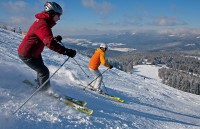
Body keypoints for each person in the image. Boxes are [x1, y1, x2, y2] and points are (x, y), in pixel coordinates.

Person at [17, 2, 76, 91]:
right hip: (27, 54)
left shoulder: (43, 22)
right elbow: (49, 43)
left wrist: (55, 39)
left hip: (34, 53)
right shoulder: (42, 25)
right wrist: (65, 51)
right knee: (44, 72)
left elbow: (43, 38)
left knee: (41, 70)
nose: (59, 18)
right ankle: (44, 91)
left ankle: (40, 84)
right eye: (58, 15)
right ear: (51, 13)